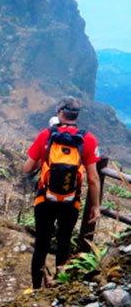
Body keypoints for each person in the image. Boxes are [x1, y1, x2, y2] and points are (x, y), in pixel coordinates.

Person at [23, 97, 101, 289]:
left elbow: (26, 168)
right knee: (64, 240)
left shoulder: (46, 135)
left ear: (60, 113)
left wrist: (43, 162)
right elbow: (93, 178)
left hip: (45, 198)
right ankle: (59, 284)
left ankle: (35, 289)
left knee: (41, 243)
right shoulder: (88, 139)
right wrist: (96, 206)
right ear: (77, 116)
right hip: (71, 201)